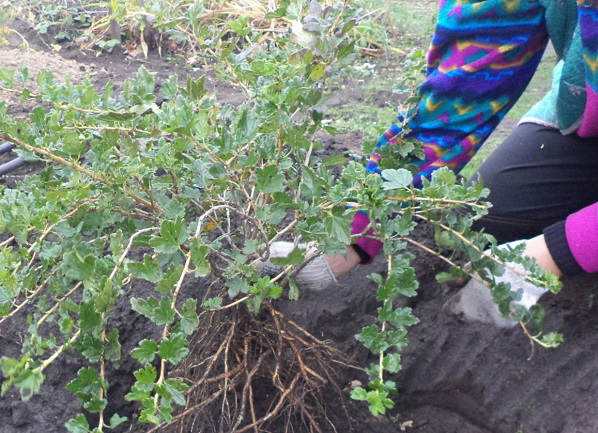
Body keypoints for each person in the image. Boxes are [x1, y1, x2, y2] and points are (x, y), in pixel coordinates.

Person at [261, 0, 598, 326]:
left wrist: (551, 255)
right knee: (487, 213)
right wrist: (353, 234)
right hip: (583, 109)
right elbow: (463, 84)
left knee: (559, 247)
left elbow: (549, 254)